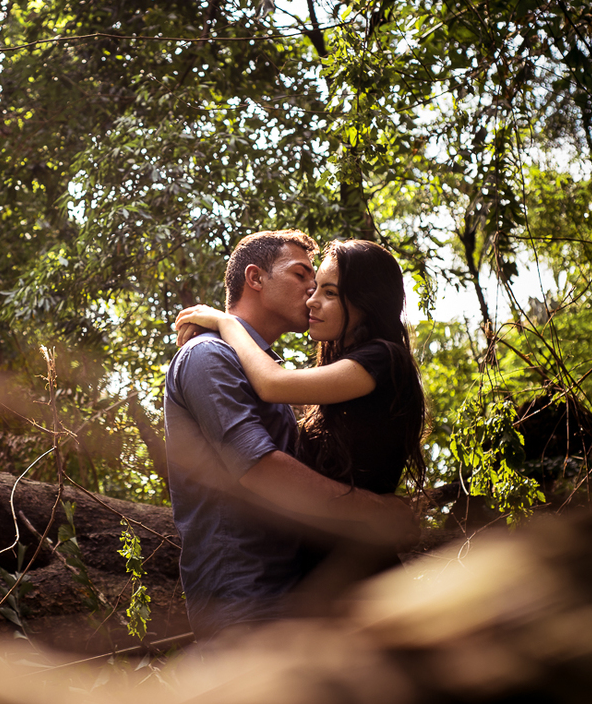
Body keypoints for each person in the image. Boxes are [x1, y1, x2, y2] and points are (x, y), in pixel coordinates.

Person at [163, 231, 417, 641]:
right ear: (255, 278)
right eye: (302, 276)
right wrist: (374, 509)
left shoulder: (273, 369)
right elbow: (260, 468)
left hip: (298, 591)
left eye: (325, 289)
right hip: (244, 593)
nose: (311, 293)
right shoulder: (209, 355)